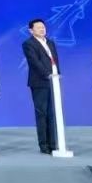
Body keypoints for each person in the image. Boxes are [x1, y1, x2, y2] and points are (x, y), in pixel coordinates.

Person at [22, 18, 59, 154]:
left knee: (52, 113)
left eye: (43, 27)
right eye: (38, 27)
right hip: (40, 82)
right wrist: (48, 74)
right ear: (31, 31)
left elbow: (55, 61)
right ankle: (44, 145)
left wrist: (56, 74)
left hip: (54, 82)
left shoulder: (50, 42)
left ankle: (53, 143)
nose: (42, 29)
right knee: (42, 113)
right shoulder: (28, 44)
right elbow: (35, 62)